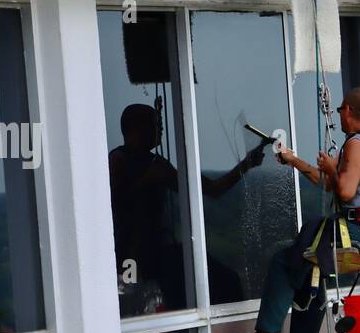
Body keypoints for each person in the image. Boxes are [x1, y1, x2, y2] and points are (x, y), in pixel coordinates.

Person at [227, 87, 360, 333]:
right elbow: (330, 184)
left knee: (283, 262)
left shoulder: (356, 145)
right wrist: (293, 161)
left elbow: (344, 189)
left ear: (349, 111)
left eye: (340, 110)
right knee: (307, 270)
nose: (339, 114)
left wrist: (330, 166)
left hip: (358, 232)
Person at [109, 103, 268, 310]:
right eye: (156, 124)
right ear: (136, 129)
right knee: (140, 303)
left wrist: (247, 164)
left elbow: (211, 188)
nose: (161, 129)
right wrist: (147, 180)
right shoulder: (119, 160)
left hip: (155, 251)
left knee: (226, 282)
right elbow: (113, 201)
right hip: (134, 250)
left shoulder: (154, 164)